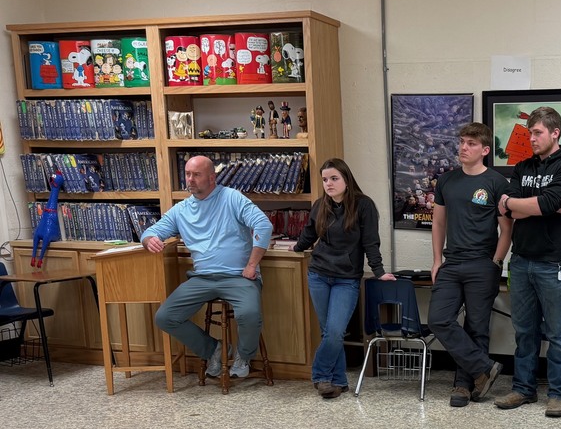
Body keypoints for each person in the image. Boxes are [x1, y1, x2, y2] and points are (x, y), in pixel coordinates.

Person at [144, 155, 273, 381]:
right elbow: (150, 232)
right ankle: (214, 349)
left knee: (249, 314)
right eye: (187, 174)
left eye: (196, 175)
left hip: (238, 276)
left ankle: (244, 356)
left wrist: (252, 265)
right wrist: (149, 240)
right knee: (165, 317)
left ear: (212, 178)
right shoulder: (181, 209)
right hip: (202, 278)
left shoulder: (232, 197)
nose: (190, 180)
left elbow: (263, 224)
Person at [493, 106, 561, 418]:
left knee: (557, 332)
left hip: (554, 262)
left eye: (538, 133)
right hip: (520, 260)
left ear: (555, 132)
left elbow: (543, 203)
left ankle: (559, 393)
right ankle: (523, 388)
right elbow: (506, 209)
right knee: (524, 330)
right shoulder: (522, 166)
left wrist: (527, 205)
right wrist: (531, 206)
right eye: (530, 132)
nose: (531, 138)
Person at [294, 158, 395, 399]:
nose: (329, 183)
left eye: (334, 178)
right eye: (325, 179)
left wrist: (379, 271)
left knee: (335, 331)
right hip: (318, 275)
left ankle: (320, 375)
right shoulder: (320, 205)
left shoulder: (364, 206)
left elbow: (371, 242)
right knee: (329, 331)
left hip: (346, 279)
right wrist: (296, 247)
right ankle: (337, 381)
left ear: (347, 180)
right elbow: (308, 234)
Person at [427, 122, 512, 408]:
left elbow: (506, 229)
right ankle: (483, 369)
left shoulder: (497, 182)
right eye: (462, 142)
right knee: (438, 319)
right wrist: (437, 259)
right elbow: (438, 222)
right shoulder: (446, 181)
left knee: (477, 327)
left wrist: (496, 262)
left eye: (472, 143)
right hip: (452, 262)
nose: (464, 147)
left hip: (482, 264)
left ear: (485, 150)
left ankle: (463, 386)